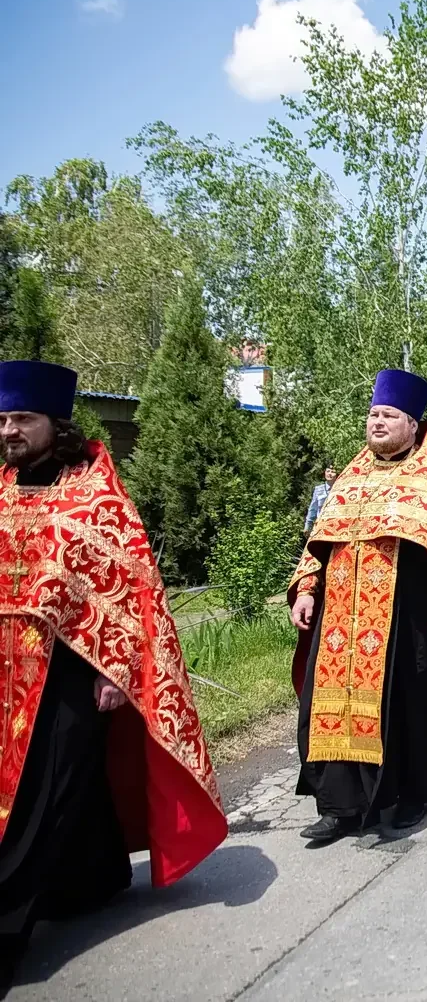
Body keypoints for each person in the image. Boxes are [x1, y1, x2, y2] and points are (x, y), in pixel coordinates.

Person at [0, 360, 226, 984]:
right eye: (3, 419)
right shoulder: (1, 484)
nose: (10, 430)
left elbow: (133, 586)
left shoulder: (95, 493)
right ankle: (93, 877)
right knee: (63, 789)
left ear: (54, 423)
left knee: (42, 794)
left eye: (22, 419)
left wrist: (116, 669)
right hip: (4, 670)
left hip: (71, 669)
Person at [291, 369, 427, 841]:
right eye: (373, 414)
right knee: (328, 705)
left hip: (407, 618)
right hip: (340, 622)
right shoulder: (352, 477)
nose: (377, 422)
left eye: (388, 415)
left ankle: (411, 795)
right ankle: (340, 806)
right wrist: (308, 588)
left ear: (413, 424)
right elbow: (320, 542)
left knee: (409, 706)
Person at [304, 464, 338, 534]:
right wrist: (307, 526)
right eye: (328, 471)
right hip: (320, 526)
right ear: (325, 473)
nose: (330, 474)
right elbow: (313, 509)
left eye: (332, 472)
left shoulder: (341, 489)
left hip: (336, 526)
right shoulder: (318, 489)